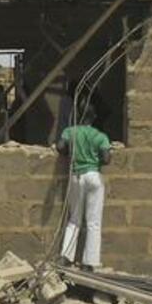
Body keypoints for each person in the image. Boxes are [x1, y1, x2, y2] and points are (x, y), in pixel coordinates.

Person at [56, 103, 111, 271]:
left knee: (74, 219)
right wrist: (97, 158)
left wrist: (70, 152)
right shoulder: (100, 136)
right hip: (94, 177)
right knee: (93, 222)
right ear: (93, 118)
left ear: (77, 116)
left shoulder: (69, 131)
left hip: (76, 176)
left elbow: (60, 147)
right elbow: (106, 159)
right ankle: (89, 263)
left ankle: (65, 257)